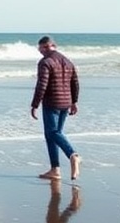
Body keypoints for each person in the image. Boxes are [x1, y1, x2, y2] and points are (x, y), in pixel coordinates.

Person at [29, 35, 82, 180]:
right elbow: (75, 83)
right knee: (53, 134)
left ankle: (73, 155)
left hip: (52, 103)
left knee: (52, 133)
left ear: (53, 46)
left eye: (45, 48)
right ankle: (55, 170)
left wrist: (34, 104)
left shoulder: (45, 62)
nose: (43, 51)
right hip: (66, 103)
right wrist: (74, 102)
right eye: (41, 49)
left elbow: (42, 85)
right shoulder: (68, 61)